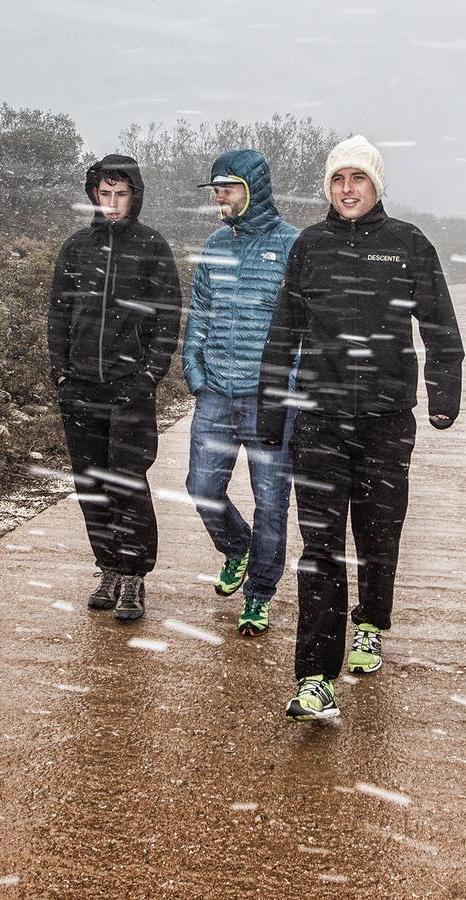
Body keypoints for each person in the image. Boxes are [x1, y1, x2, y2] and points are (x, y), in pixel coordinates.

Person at [256, 135, 464, 722]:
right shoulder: (309, 246)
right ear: (328, 188)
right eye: (338, 180)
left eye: (359, 179)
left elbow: (441, 328)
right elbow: (283, 334)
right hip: (319, 418)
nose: (348, 189)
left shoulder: (407, 245)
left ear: (376, 186)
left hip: (385, 418)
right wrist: (272, 412)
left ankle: (370, 622)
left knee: (377, 534)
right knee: (320, 548)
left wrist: (442, 396)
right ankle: (314, 678)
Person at [46, 154, 182, 622]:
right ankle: (106, 567)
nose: (112, 203)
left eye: (121, 194)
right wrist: (60, 371)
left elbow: (168, 316)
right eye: (104, 194)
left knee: (127, 483)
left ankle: (133, 576)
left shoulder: (152, 246)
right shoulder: (77, 247)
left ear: (135, 196)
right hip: (80, 387)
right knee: (92, 485)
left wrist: (150, 374)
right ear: (94, 195)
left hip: (129, 388)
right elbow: (59, 313)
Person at [181, 149, 302, 637]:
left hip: (268, 399)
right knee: (201, 488)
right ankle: (237, 548)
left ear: (254, 190)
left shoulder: (294, 245)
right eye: (215, 188)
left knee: (271, 500)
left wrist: (288, 384)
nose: (219, 197)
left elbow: (303, 326)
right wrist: (195, 372)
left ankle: (258, 594)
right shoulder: (213, 245)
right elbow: (200, 315)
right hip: (215, 393)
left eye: (227, 187)